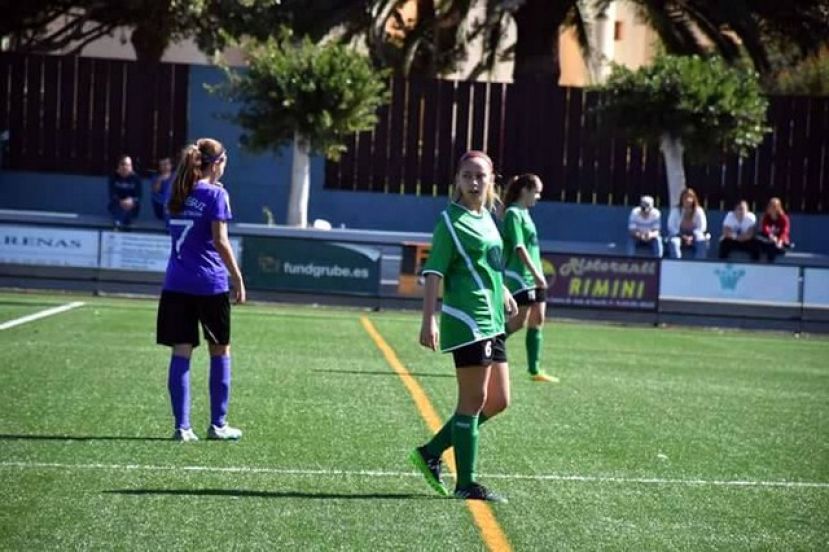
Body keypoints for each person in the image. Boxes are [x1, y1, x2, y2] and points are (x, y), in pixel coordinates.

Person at [409, 150, 517, 503]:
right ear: (457, 180)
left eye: (480, 176)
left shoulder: (487, 216)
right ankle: (466, 484)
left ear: (491, 181)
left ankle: (430, 452)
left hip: (493, 318)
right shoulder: (450, 221)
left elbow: (488, 263)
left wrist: (503, 293)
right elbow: (434, 272)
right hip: (468, 320)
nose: (474, 182)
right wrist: (430, 319)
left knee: (499, 400)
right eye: (467, 176)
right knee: (473, 400)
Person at [156, 138, 246, 442]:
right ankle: (218, 425)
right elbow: (220, 241)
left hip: (176, 283)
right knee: (220, 349)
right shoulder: (216, 194)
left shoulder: (177, 189)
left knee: (181, 351)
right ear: (218, 163)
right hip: (209, 284)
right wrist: (238, 277)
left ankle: (182, 427)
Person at [501, 173, 558, 383]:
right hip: (521, 276)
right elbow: (519, 247)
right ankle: (490, 347)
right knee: (517, 322)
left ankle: (534, 370)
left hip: (535, 276)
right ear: (525, 190)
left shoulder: (525, 213)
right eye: (537, 192)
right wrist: (536, 273)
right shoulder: (513, 214)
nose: (539, 197)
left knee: (539, 319)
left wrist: (538, 274)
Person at [666, 187, 708, 259]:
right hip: (678, 236)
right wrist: (682, 236)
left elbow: (702, 227)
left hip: (694, 237)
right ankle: (677, 263)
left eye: (690, 197)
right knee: (674, 242)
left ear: (693, 199)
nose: (687, 200)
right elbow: (671, 226)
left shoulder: (699, 211)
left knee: (702, 242)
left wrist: (692, 237)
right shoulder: (675, 210)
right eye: (685, 198)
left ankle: (698, 264)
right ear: (682, 199)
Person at [108, 155, 142, 229]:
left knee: (127, 210)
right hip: (117, 205)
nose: (125, 167)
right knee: (120, 209)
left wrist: (131, 201)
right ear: (118, 166)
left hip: (131, 206)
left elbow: (139, 196)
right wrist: (121, 202)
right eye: (123, 164)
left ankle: (118, 227)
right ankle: (121, 227)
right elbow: (112, 194)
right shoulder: (113, 176)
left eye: (128, 165)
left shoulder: (136, 178)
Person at [757, 197, 791, 263]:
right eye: (770, 206)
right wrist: (771, 236)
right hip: (769, 239)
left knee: (777, 246)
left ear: (778, 208)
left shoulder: (784, 218)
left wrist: (780, 240)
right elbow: (765, 228)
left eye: (774, 207)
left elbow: (785, 231)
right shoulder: (766, 217)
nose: (772, 209)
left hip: (780, 240)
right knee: (758, 239)